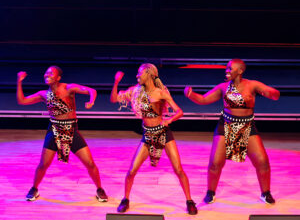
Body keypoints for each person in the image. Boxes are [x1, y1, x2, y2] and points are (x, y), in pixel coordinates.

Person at [184, 59, 280, 205]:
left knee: (262, 162)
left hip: (247, 125)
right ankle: (210, 192)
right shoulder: (223, 87)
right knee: (215, 163)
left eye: (230, 69)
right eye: (226, 68)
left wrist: (273, 93)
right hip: (226, 125)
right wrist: (191, 94)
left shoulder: (252, 84)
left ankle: (265, 193)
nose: (226, 71)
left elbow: (272, 92)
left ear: (240, 71)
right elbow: (203, 99)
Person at [110, 63, 197, 215]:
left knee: (178, 169)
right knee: (131, 171)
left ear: (149, 74)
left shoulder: (161, 93)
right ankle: (126, 199)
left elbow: (179, 111)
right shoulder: (135, 91)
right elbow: (113, 99)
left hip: (164, 133)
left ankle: (189, 201)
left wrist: (168, 120)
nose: (137, 76)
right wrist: (116, 82)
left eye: (140, 73)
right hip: (147, 134)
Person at [17, 66, 108, 202]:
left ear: (58, 78)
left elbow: (91, 90)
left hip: (71, 130)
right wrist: (19, 81)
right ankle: (34, 188)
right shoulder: (43, 94)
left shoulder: (68, 88)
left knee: (89, 163)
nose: (47, 74)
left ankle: (100, 189)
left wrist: (91, 101)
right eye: (46, 72)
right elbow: (22, 101)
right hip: (54, 130)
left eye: (50, 73)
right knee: (43, 165)